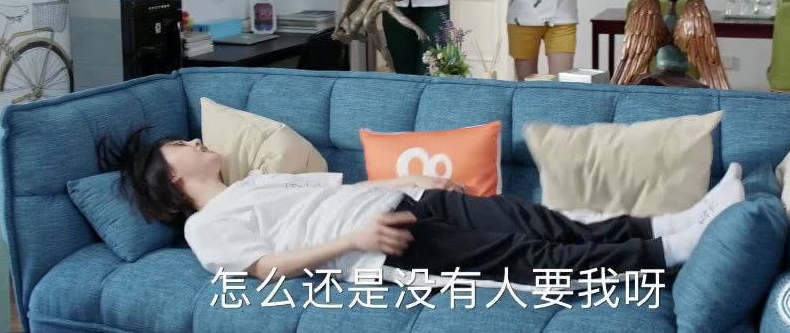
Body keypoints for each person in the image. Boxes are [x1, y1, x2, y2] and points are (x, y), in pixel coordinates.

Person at [100, 128, 745, 285]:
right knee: (530, 257)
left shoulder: (254, 183)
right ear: (173, 179)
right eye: (180, 146)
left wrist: (417, 183)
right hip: (386, 242)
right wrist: (355, 240)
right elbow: (266, 267)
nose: (193, 141)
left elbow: (337, 188)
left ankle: (677, 220)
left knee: (539, 218)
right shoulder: (207, 228)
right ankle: (670, 252)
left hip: (411, 200)